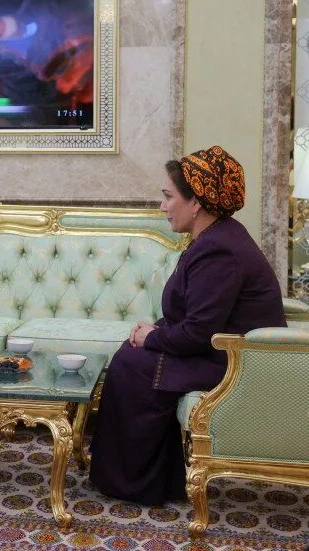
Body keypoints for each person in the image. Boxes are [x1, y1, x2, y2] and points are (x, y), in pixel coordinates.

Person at [89, 146, 287, 505]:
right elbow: (195, 317)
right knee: (132, 355)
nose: (162, 206)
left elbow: (198, 333)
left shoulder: (219, 250)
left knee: (133, 364)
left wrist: (152, 338)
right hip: (221, 351)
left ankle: (136, 483)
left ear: (196, 202)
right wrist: (154, 332)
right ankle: (149, 478)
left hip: (236, 363)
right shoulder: (217, 237)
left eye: (168, 196)